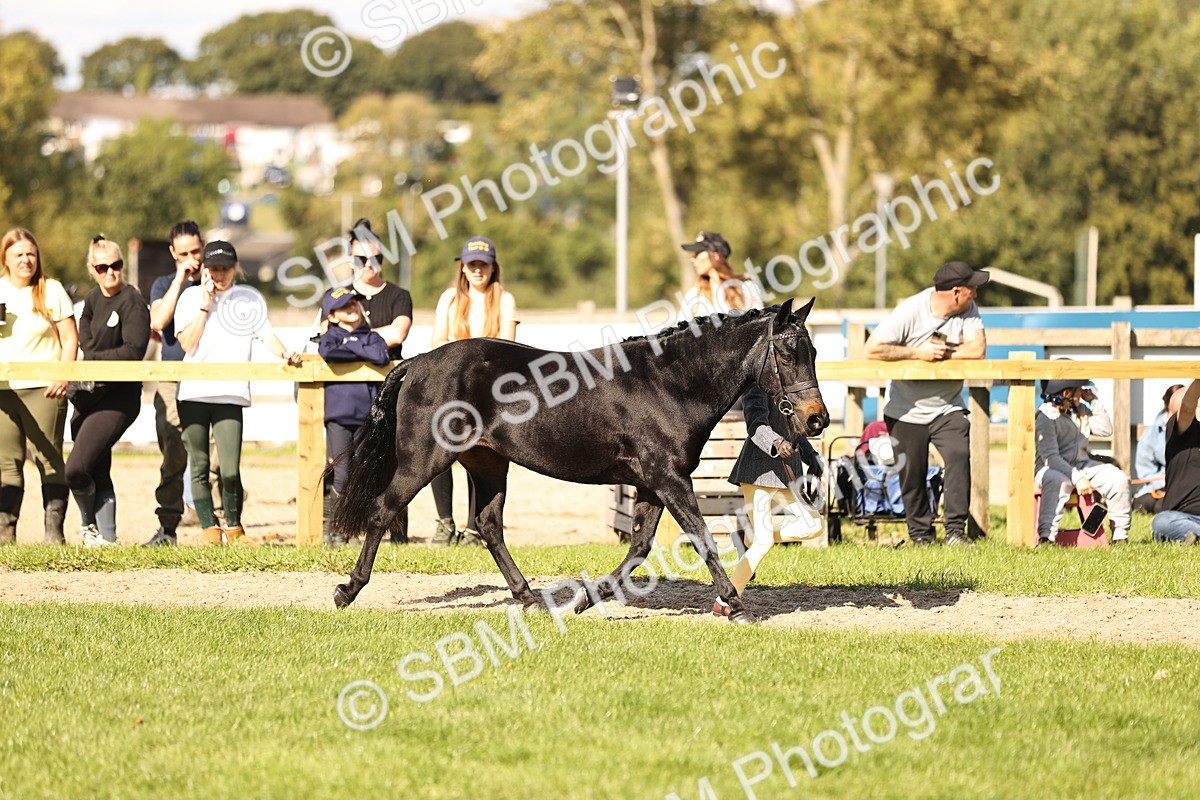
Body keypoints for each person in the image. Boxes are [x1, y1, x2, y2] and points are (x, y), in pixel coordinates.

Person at [174, 241, 302, 545]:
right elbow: (186, 343)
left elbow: (267, 335)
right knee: (200, 465)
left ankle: (233, 524)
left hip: (231, 392)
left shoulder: (250, 298)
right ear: (205, 269)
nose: (219, 274)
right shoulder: (190, 297)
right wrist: (205, 304)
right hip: (193, 392)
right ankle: (209, 526)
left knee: (229, 468)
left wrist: (285, 354)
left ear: (235, 268)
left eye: (225, 268)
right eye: (214, 268)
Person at [864, 261, 988, 546]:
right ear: (956, 292)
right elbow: (872, 348)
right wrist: (917, 353)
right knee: (912, 475)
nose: (976, 295)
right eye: (972, 289)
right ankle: (920, 535)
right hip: (905, 410)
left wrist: (942, 355)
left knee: (958, 456)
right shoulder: (911, 309)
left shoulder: (968, 309)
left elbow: (978, 349)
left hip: (948, 407)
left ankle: (955, 531)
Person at [429, 236, 519, 546]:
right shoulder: (449, 299)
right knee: (438, 451)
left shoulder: (505, 300)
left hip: (489, 392)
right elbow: (437, 343)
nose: (478, 270)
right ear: (463, 268)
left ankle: (473, 528)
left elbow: (509, 348)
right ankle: (444, 523)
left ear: (493, 267)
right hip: (453, 385)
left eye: (483, 264)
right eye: (472, 264)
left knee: (482, 455)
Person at [65, 236, 151, 546]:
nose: (110, 272)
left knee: (76, 468)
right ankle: (108, 539)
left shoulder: (133, 301)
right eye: (102, 267)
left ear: (122, 265)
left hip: (118, 397)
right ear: (92, 269)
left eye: (115, 265)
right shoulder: (91, 299)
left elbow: (133, 350)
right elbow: (84, 338)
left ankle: (89, 528)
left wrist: (94, 360)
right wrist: (92, 358)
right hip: (87, 395)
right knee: (97, 466)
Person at [713, 384, 823, 618]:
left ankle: (748, 537)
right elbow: (756, 425)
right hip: (758, 472)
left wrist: (811, 455)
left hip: (787, 474)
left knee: (814, 525)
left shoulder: (791, 388)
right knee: (763, 543)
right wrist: (775, 442)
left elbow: (793, 429)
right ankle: (725, 601)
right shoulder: (756, 386)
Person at [0, 228, 78, 545]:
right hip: (4, 389)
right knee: (7, 462)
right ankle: (6, 536)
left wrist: (63, 374)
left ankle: (53, 535)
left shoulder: (52, 290)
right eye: (19, 254)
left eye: (31, 253)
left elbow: (70, 338)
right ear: (5, 258)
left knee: (48, 459)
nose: (26, 260)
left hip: (45, 389)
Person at [143, 220, 202, 546]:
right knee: (172, 455)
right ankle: (167, 528)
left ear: (203, 247)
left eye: (195, 251)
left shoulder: (215, 277)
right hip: (172, 377)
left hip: (208, 377)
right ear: (172, 253)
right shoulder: (164, 283)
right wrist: (180, 277)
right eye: (183, 254)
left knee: (212, 456)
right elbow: (157, 321)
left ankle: (219, 528)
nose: (191, 258)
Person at [317, 286, 390, 548]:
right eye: (346, 306)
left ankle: (354, 529)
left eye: (355, 304)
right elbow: (327, 352)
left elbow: (380, 356)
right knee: (342, 473)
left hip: (366, 416)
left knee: (363, 472)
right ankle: (336, 530)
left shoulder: (371, 336)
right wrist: (359, 348)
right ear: (333, 316)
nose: (353, 309)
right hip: (338, 416)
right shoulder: (329, 336)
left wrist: (352, 344)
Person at [1035, 378, 1132, 545]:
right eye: (1079, 389)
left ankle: (1120, 534)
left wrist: (1093, 402)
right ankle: (1046, 537)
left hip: (1081, 465)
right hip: (1051, 468)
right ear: (1066, 393)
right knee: (1057, 481)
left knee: (1118, 478)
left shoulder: (1080, 411)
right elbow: (1051, 457)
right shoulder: (1046, 417)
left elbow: (1105, 429)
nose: (1082, 392)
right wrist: (1077, 478)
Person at [347, 218, 413, 360]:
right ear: (350, 261)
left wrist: (349, 340)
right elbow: (328, 338)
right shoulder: (336, 295)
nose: (369, 264)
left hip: (388, 378)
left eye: (375, 258)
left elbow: (397, 335)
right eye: (361, 259)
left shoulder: (400, 295)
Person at [1151, 380, 1200, 544]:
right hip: (1182, 515)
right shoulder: (1176, 433)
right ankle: (1190, 533)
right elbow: (1186, 409)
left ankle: (1193, 535)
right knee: (1162, 522)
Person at [679, 231, 764, 315]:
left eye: (698, 253)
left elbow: (759, 324)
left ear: (716, 256)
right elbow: (681, 327)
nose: (693, 259)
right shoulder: (694, 295)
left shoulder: (746, 287)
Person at [1134, 384, 1183, 513]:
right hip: (1159, 487)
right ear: (1168, 405)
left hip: (1188, 486)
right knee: (1145, 503)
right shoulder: (1152, 433)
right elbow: (1145, 471)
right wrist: (1164, 481)